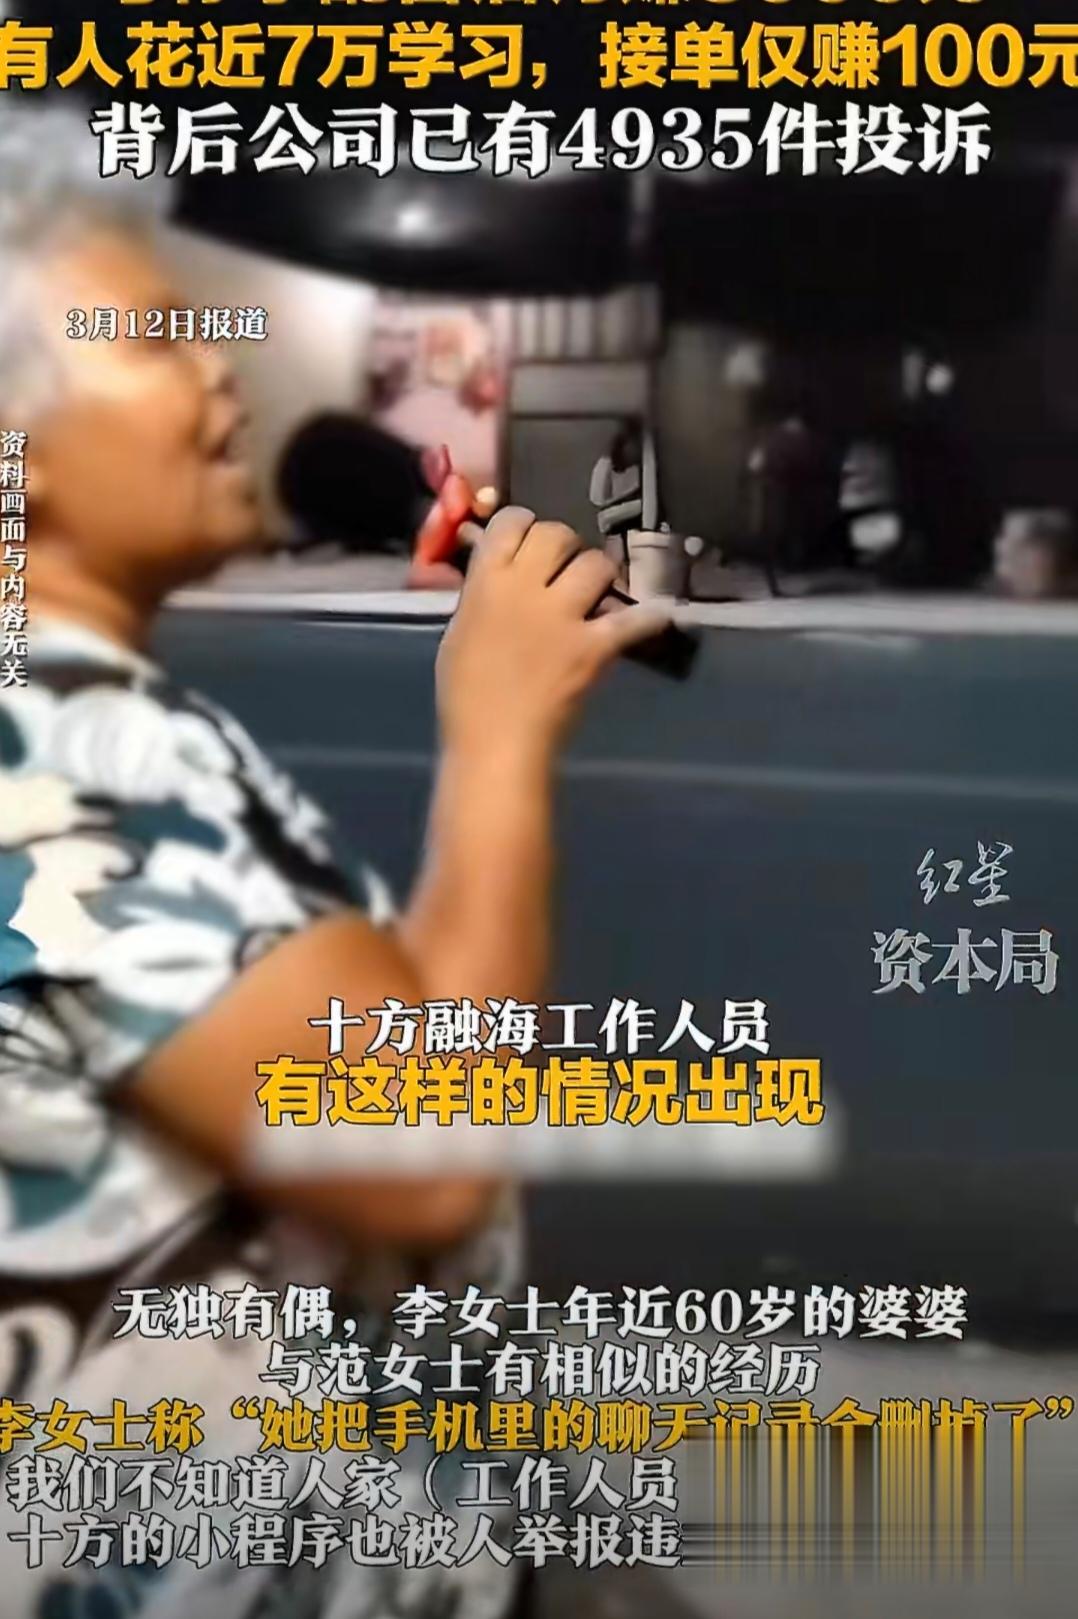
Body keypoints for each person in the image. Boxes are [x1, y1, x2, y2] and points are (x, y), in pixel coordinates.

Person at [0, 107, 667, 1618]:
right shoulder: (61, 751)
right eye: (157, 338)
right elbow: (420, 1152)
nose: (222, 372)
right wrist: (500, 729)